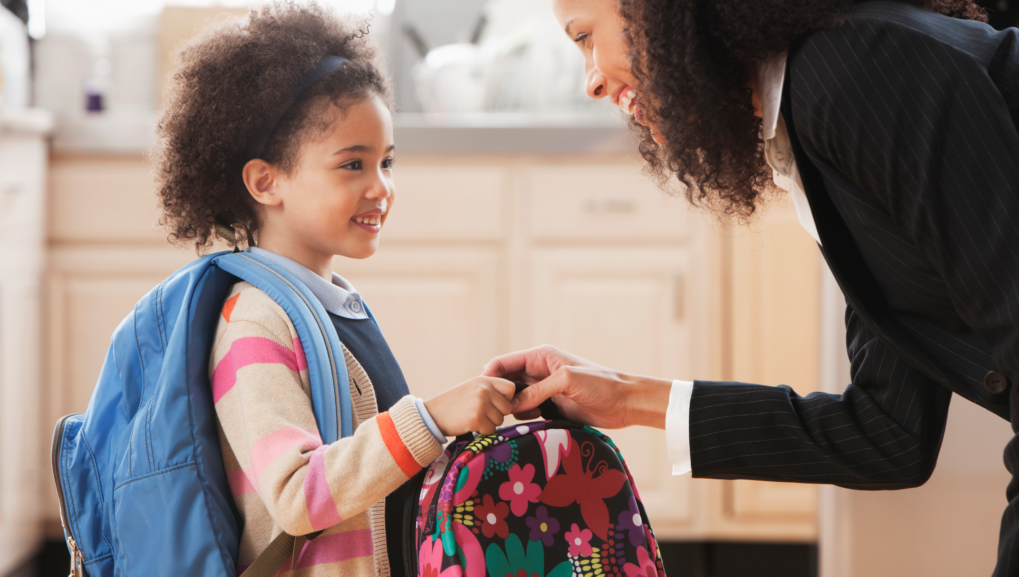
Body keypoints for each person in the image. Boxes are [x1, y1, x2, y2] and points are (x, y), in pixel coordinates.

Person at [485, 0, 1019, 573]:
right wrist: (627, 396)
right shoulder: (814, 111)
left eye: (587, 36)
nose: (590, 80)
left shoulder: (852, 72)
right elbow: (890, 432)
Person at [152, 4, 516, 575]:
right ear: (265, 181)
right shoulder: (255, 322)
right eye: (352, 165)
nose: (382, 187)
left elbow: (378, 471)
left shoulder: (331, 304)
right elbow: (298, 496)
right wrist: (432, 418)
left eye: (387, 161)